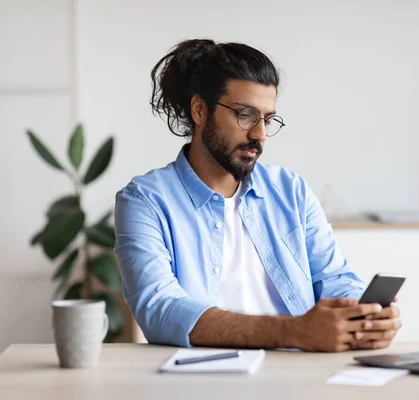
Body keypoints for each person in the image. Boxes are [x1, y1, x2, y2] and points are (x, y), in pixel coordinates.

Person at [113, 38, 402, 351]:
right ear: (200, 110)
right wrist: (294, 332)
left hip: (301, 373)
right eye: (245, 115)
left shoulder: (291, 190)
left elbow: (334, 277)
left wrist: (364, 315)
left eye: (267, 119)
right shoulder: (145, 201)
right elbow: (161, 309)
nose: (259, 134)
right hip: (202, 380)